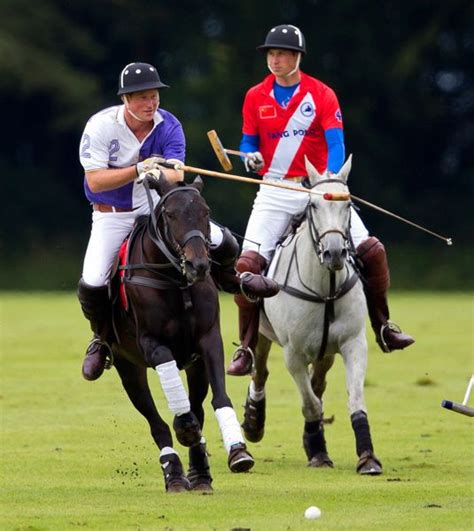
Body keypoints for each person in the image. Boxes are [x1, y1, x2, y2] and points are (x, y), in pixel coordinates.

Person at [227, 25, 414, 376]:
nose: (275, 59)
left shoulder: (321, 94)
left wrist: (329, 183)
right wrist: (249, 158)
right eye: (271, 53)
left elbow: (336, 144)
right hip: (276, 190)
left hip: (321, 189)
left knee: (372, 251)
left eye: (282, 53)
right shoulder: (255, 96)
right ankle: (247, 348)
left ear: (298, 57)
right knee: (246, 267)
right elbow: (248, 142)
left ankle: (384, 327)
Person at [78, 61, 278, 382]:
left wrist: (161, 171)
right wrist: (137, 169)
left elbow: (177, 173)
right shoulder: (101, 126)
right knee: (92, 283)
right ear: (125, 100)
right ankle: (101, 339)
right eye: (142, 97)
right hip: (112, 216)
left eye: (154, 95)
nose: (150, 103)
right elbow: (95, 180)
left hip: (158, 212)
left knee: (221, 240)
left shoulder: (169, 125)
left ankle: (235, 280)